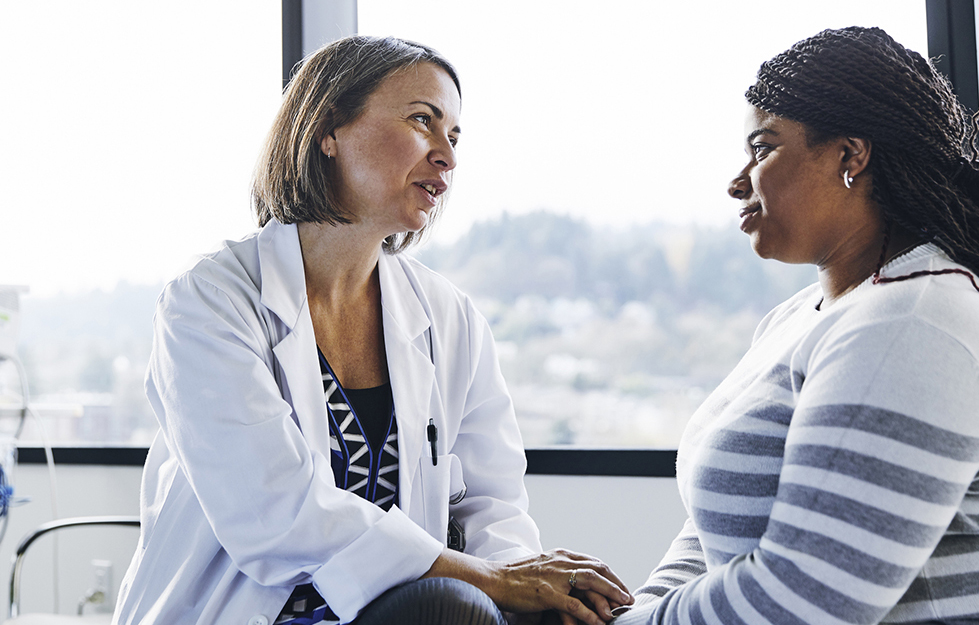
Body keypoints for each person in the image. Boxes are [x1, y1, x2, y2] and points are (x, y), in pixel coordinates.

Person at [113, 35, 631, 625]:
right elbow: (275, 514)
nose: (448, 157)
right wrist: (492, 580)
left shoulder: (449, 316)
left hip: (389, 613)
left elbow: (494, 506)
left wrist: (528, 587)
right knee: (450, 603)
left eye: (454, 137)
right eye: (422, 121)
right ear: (328, 129)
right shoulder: (211, 301)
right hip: (241, 614)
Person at [613, 26, 979, 624]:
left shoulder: (914, 325)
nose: (738, 180)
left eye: (762, 148)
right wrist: (636, 610)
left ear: (851, 155)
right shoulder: (801, 317)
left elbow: (803, 602)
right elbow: (711, 531)